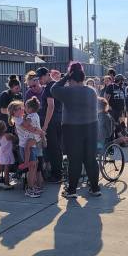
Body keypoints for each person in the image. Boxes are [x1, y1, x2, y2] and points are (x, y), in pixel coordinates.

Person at [52, 62, 100, 198]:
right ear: (83, 78)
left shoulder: (67, 91)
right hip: (92, 126)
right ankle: (95, 188)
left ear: (71, 79)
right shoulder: (91, 91)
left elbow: (54, 89)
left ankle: (72, 190)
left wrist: (65, 76)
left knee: (75, 160)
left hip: (72, 128)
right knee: (91, 159)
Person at [9, 98, 45, 197]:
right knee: (32, 167)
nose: (22, 109)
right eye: (19, 108)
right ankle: (30, 189)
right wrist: (41, 132)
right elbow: (29, 128)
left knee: (33, 166)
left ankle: (32, 186)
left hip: (30, 145)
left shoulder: (21, 118)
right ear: (14, 112)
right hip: (25, 146)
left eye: (22, 107)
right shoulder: (19, 119)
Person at [36, 67, 63, 183]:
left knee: (53, 148)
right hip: (58, 119)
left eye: (41, 77)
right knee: (56, 148)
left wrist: (45, 125)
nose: (40, 80)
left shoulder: (49, 87)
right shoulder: (57, 85)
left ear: (47, 75)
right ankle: (57, 173)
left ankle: (57, 175)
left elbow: (50, 106)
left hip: (52, 122)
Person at [0, 120, 15, 190]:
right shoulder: (8, 136)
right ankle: (6, 183)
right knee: (6, 171)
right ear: (4, 128)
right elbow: (16, 139)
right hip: (7, 155)